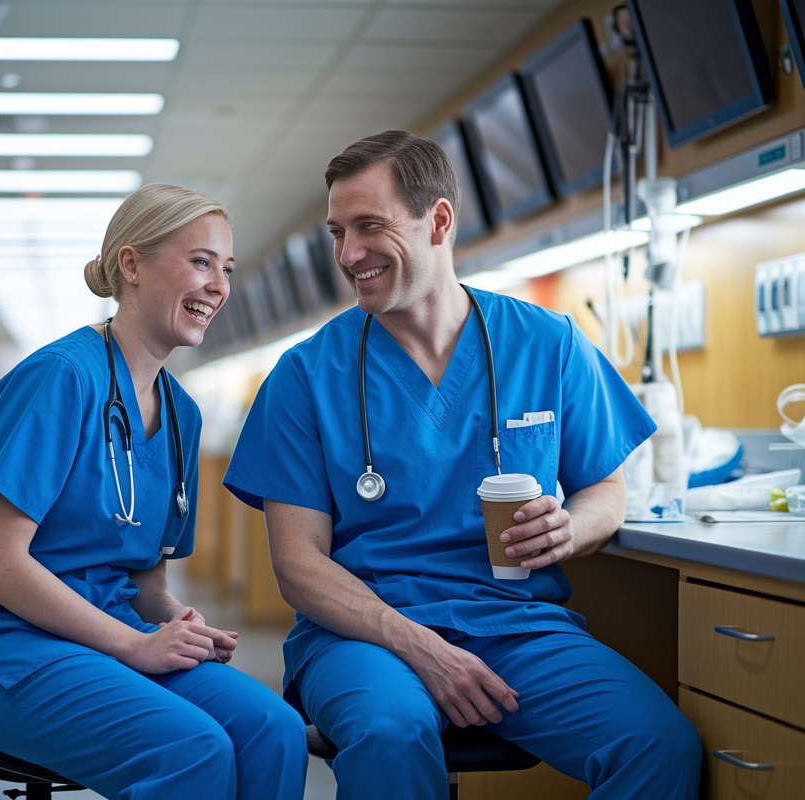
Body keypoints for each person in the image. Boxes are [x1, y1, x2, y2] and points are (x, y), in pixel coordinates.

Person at [223, 131, 701, 799]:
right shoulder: (305, 375)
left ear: (438, 220)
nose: (348, 253)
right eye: (337, 233)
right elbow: (298, 565)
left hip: (516, 627)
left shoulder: (548, 343)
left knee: (659, 745)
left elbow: (606, 489)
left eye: (368, 226)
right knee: (390, 733)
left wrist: (572, 527)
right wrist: (420, 647)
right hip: (365, 635)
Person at [0, 183, 308, 800]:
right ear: (130, 265)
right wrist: (135, 644)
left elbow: (145, 581)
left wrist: (176, 624)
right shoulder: (60, 379)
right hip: (4, 649)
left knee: (276, 730)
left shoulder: (181, 415)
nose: (219, 285)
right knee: (191, 750)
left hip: (106, 633)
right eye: (201, 261)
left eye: (227, 269)